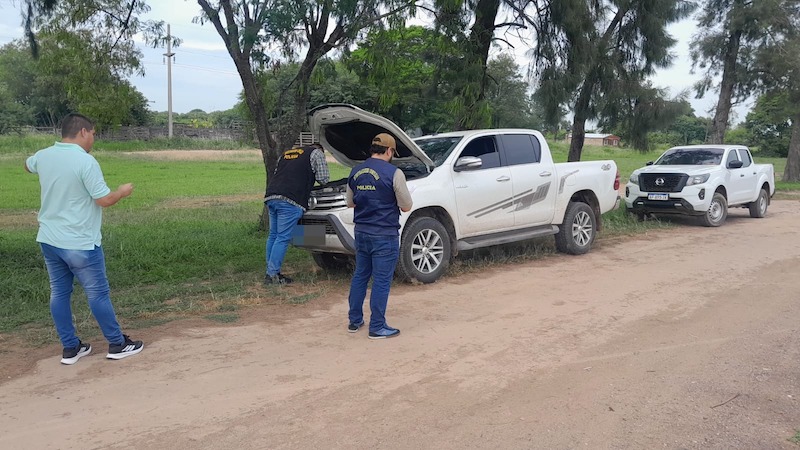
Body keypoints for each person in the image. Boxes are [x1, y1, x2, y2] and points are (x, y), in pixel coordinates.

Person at [24, 113, 143, 365]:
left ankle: (70, 347)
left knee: (59, 293)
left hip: (49, 239)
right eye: (93, 134)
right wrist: (121, 192)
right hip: (80, 242)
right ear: (83, 132)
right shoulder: (85, 161)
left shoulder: (43, 155)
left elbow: (27, 165)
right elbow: (104, 200)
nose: (93, 139)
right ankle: (117, 343)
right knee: (98, 294)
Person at [346, 133, 413, 339]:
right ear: (389, 151)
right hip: (384, 234)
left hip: (361, 232)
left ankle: (354, 321)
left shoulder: (355, 171)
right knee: (381, 281)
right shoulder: (394, 173)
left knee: (361, 275)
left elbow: (350, 202)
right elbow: (406, 206)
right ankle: (377, 326)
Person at [264, 142, 329, 285]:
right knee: (283, 237)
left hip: (271, 195)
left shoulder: (287, 153)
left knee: (273, 235)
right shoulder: (316, 153)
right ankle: (272, 275)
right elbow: (323, 179)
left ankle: (270, 271)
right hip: (291, 199)